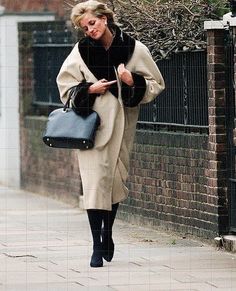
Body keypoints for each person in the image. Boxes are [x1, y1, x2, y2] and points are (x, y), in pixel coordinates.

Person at [56, 0, 165, 268]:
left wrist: (132, 82)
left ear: (104, 19)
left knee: (115, 182)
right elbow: (65, 86)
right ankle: (96, 245)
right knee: (95, 186)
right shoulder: (80, 52)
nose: (89, 30)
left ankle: (108, 233)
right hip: (92, 129)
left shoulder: (134, 49)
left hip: (123, 127)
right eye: (84, 27)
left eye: (92, 23)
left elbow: (156, 84)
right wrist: (89, 90)